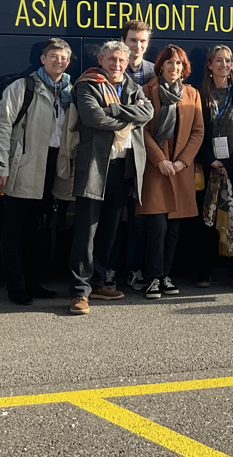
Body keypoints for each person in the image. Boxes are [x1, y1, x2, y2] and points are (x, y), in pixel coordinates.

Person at [67, 41, 154, 316]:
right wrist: (130, 117)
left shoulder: (132, 87)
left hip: (122, 168)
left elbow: (148, 113)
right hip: (95, 166)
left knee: (109, 230)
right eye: (112, 59)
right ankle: (79, 291)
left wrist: (115, 110)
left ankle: (98, 283)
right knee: (87, 231)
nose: (117, 65)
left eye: (121, 61)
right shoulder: (87, 85)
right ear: (101, 60)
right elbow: (93, 118)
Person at [0, 38, 73, 305]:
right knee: (13, 228)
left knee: (34, 228)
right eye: (53, 56)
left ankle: (32, 282)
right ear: (42, 59)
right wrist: (1, 166)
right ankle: (15, 286)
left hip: (52, 166)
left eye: (63, 57)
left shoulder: (69, 92)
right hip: (22, 164)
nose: (59, 61)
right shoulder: (22, 87)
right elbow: (1, 126)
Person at [137, 45, 205, 299]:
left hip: (179, 170)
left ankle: (165, 275)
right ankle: (152, 277)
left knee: (174, 229)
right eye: (170, 63)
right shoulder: (147, 91)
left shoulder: (192, 94)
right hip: (156, 169)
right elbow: (141, 130)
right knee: (157, 228)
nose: (174, 67)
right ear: (161, 66)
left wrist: (182, 162)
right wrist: (160, 160)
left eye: (179, 63)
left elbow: (198, 132)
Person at [196, 44, 233, 288]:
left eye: (228, 60)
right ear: (209, 65)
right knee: (206, 219)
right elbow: (195, 133)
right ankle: (203, 272)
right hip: (208, 166)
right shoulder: (199, 95)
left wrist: (231, 164)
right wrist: (210, 160)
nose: (224, 65)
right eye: (218, 60)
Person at [116, 20, 156, 291]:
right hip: (117, 153)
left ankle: (134, 269)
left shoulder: (155, 72)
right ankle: (109, 271)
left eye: (143, 41)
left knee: (139, 216)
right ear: (124, 40)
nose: (138, 46)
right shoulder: (112, 67)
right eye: (133, 40)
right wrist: (138, 111)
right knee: (113, 216)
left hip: (145, 153)